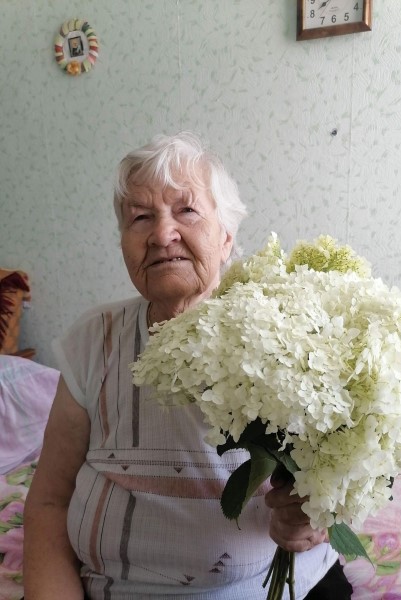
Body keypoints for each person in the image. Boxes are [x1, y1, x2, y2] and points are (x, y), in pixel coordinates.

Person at [23, 132, 352, 599]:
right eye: (140, 217)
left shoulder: (289, 336)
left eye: (187, 210)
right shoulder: (91, 341)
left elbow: (339, 482)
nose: (162, 234)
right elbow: (50, 501)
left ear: (226, 238)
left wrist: (314, 517)